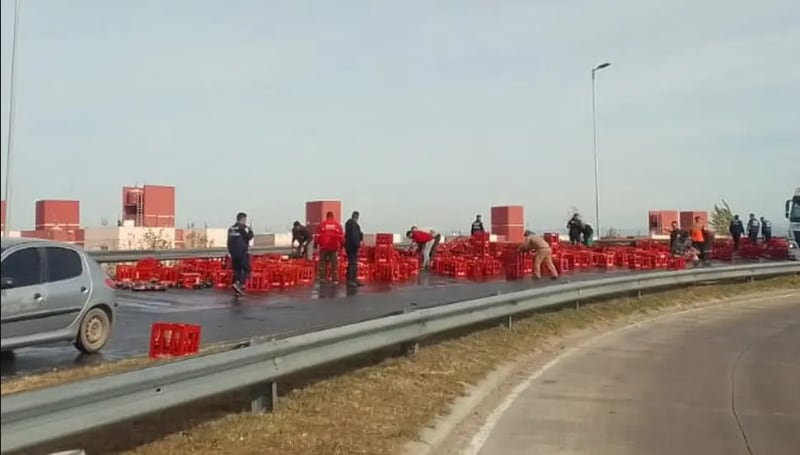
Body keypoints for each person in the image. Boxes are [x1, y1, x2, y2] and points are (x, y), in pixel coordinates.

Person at [227, 212, 254, 296]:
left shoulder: (231, 228)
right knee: (247, 269)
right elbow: (248, 237)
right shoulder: (241, 227)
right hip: (241, 252)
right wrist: (251, 231)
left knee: (237, 270)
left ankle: (237, 289)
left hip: (233, 253)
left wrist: (230, 252)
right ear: (243, 219)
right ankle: (239, 283)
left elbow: (228, 241)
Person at [317, 211, 344, 284]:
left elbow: (318, 236)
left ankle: (322, 278)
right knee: (334, 263)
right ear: (332, 216)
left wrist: (316, 244)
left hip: (323, 247)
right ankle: (335, 279)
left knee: (323, 263)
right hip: (333, 247)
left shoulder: (322, 225)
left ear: (326, 216)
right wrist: (342, 245)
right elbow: (341, 237)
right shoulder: (337, 225)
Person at [344, 211, 364, 288]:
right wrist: (357, 245)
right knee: (353, 263)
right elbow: (355, 235)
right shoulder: (354, 225)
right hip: (353, 247)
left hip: (348, 246)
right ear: (357, 217)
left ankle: (352, 279)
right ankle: (351, 280)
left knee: (351, 263)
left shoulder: (348, 224)